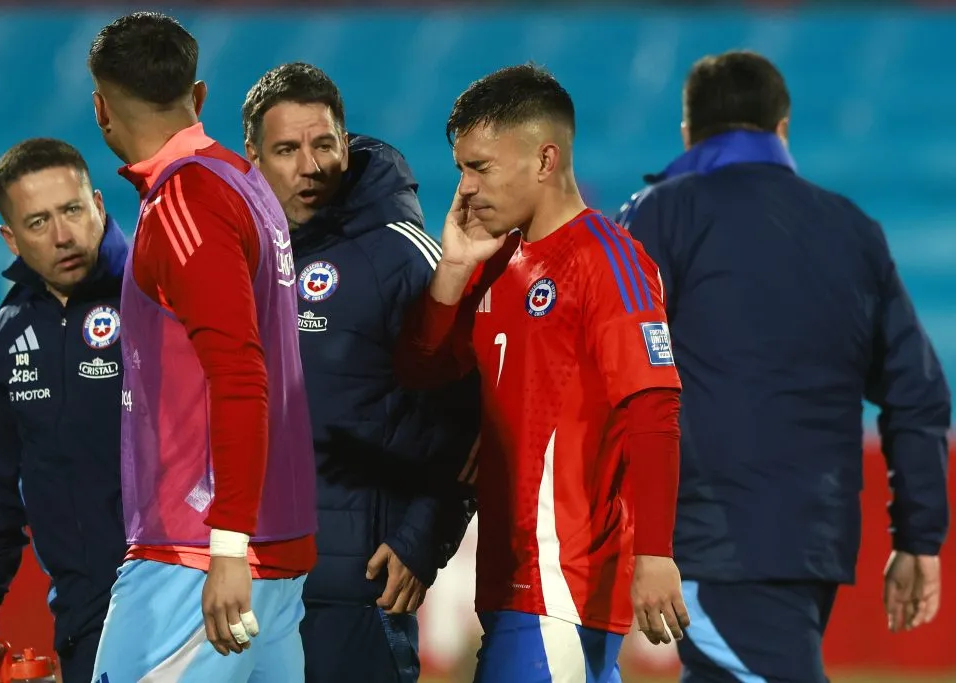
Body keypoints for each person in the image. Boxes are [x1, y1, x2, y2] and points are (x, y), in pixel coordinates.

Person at [616, 50, 951, 683]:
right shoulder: (854, 229)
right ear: (783, 129)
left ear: (688, 134)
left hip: (715, 536)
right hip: (812, 542)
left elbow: (602, 362)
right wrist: (919, 537)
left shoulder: (660, 215)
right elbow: (919, 394)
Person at [393, 64, 690, 683]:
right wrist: (451, 270)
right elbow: (421, 372)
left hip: (560, 584)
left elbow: (654, 409)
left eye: (481, 167)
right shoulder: (494, 259)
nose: (466, 188)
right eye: (460, 170)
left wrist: (657, 552)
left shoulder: (609, 262)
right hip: (513, 583)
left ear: (545, 159)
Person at [86, 12, 317, 683]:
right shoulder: (243, 182)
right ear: (199, 95)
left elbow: (240, 373)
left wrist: (226, 547)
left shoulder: (186, 200)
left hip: (195, 563)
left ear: (101, 110)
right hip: (260, 553)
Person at [241, 63, 480, 683]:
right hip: (242, 588)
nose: (310, 165)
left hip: (354, 590)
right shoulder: (236, 257)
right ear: (253, 156)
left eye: (324, 144)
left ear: (345, 143)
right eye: (287, 149)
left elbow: (468, 415)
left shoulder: (401, 255)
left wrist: (422, 539)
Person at [0, 138, 128, 683]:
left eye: (72, 210)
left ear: (98, 203)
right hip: (81, 612)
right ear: (10, 238)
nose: (63, 235)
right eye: (38, 221)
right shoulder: (10, 330)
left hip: (181, 597)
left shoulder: (158, 292)